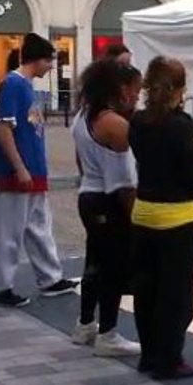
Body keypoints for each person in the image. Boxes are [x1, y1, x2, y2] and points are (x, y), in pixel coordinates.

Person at [129, 56, 193, 380]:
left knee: (148, 290)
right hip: (177, 217)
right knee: (177, 293)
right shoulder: (179, 126)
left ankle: (150, 354)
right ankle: (171, 357)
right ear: (179, 89)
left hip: (144, 211)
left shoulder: (139, 121)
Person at [0, 32, 78, 308]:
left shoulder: (25, 85)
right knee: (9, 231)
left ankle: (50, 277)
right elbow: (4, 128)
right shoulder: (14, 85)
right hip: (19, 170)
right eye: (50, 60)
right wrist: (19, 167)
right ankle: (0, 286)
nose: (52, 66)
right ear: (37, 60)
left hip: (33, 168)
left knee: (39, 226)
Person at [71, 60, 143, 356]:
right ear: (123, 90)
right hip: (109, 199)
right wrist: (137, 216)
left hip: (89, 194)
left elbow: (80, 159)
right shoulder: (115, 125)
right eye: (136, 93)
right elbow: (124, 181)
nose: (137, 98)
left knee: (95, 262)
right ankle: (108, 333)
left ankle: (86, 323)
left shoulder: (83, 115)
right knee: (113, 267)